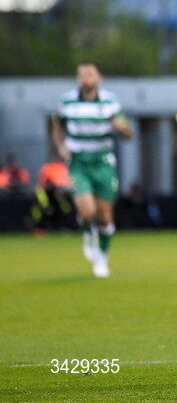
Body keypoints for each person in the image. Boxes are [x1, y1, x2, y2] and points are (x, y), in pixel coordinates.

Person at [50, 61, 133, 277]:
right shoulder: (67, 101)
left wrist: (121, 127)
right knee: (87, 211)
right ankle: (88, 231)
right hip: (79, 162)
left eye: (90, 74)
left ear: (99, 78)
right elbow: (56, 124)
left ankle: (102, 258)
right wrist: (61, 146)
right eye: (82, 75)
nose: (86, 79)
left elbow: (127, 133)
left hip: (103, 162)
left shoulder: (109, 101)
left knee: (105, 216)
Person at [32, 157, 74, 234]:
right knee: (39, 212)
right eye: (48, 183)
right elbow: (42, 202)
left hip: (56, 209)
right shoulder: (41, 191)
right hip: (45, 209)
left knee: (63, 212)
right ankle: (39, 229)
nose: (49, 185)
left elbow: (63, 204)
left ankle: (63, 228)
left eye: (50, 183)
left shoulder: (56, 191)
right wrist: (46, 207)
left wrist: (60, 203)